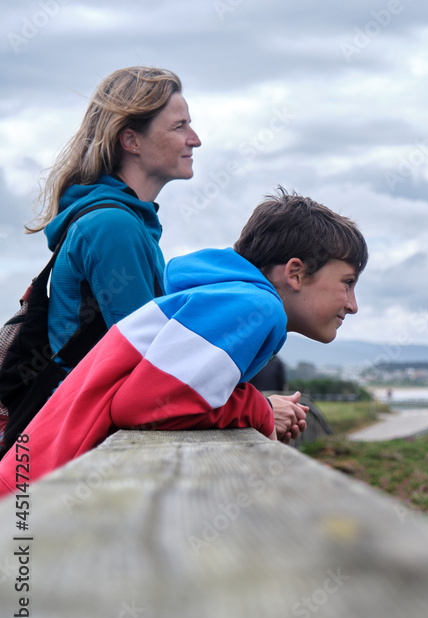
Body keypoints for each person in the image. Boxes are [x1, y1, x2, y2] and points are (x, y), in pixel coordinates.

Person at [0, 188, 367, 496]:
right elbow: (141, 405)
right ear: (296, 273)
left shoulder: (224, 299)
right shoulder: (256, 307)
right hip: (36, 497)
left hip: (33, 479)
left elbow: (163, 394)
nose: (352, 305)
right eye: (347, 283)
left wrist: (255, 406)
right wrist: (259, 409)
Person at [29, 66, 201, 367]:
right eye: (179, 127)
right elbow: (149, 366)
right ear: (131, 141)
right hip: (94, 402)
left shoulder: (123, 222)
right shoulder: (112, 226)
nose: (195, 139)